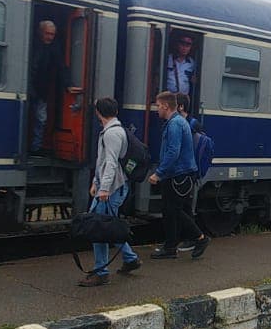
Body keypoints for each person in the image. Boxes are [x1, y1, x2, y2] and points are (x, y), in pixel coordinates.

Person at [79, 97, 141, 286]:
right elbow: (103, 162)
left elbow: (111, 163)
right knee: (108, 227)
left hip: (112, 189)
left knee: (99, 230)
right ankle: (130, 259)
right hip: (111, 187)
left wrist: (104, 188)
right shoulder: (113, 130)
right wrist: (96, 183)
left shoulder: (111, 134)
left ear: (98, 112)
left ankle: (101, 272)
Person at [147, 91, 208, 259]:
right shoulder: (177, 122)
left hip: (178, 175)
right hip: (178, 174)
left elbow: (173, 151)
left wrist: (159, 173)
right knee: (170, 211)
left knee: (174, 210)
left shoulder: (175, 124)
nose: (157, 109)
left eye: (158, 106)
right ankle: (170, 247)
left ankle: (200, 238)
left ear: (166, 106)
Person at [28, 19, 82, 156]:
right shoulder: (30, 43)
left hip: (41, 90)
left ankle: (36, 147)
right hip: (27, 88)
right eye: (47, 34)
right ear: (40, 32)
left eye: (52, 34)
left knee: (41, 119)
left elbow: (61, 66)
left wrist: (68, 84)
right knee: (28, 117)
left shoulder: (54, 47)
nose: (50, 37)